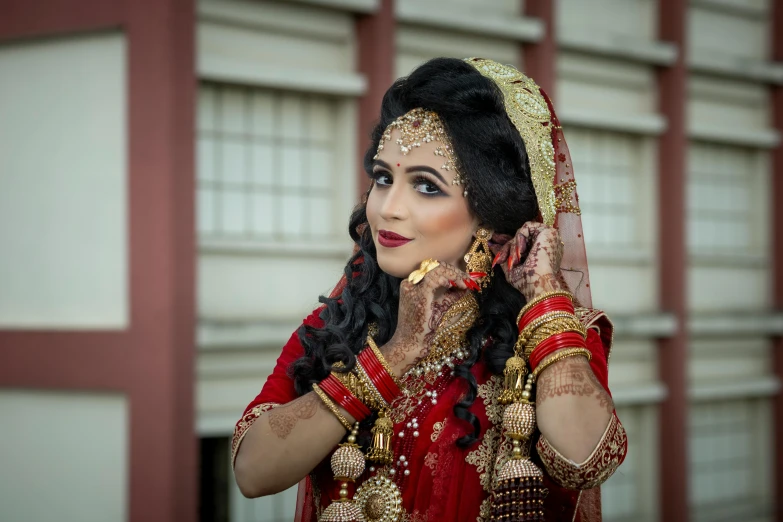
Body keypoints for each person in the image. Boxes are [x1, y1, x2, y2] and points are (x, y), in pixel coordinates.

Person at [231, 57, 627, 522]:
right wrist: (395, 355)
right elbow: (252, 473)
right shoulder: (338, 324)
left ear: (490, 212)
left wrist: (542, 292)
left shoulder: (554, 333)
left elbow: (586, 459)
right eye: (383, 178)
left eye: (426, 186)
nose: (387, 209)